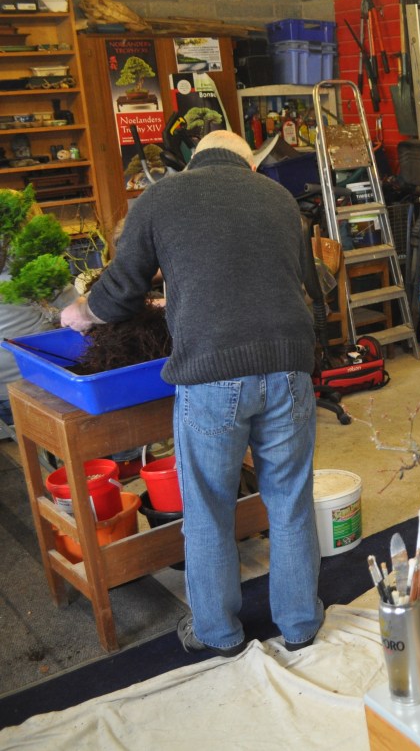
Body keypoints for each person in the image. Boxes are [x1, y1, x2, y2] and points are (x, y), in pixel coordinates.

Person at [61, 130, 323, 657]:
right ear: (249, 165)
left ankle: (217, 632)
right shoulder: (278, 197)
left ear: (194, 161)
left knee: (208, 508)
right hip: (289, 367)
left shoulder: (161, 196)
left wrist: (82, 312)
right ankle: (300, 625)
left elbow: (122, 287)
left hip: (212, 374)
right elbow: (300, 282)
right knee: (290, 501)